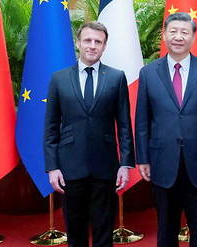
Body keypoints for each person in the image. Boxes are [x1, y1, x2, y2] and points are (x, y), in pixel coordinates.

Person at [135, 12, 197, 247]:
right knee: (166, 227)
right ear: (165, 35)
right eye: (173, 31)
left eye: (184, 32)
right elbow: (142, 120)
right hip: (162, 161)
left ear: (193, 37)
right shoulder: (148, 73)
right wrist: (143, 158)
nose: (178, 37)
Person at [44, 21, 135, 247]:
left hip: (105, 167)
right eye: (88, 40)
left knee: (104, 230)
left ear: (104, 46)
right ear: (78, 43)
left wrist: (125, 163)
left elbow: (124, 124)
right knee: (75, 231)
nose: (92, 46)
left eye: (98, 42)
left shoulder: (116, 78)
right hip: (70, 167)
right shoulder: (59, 79)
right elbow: (51, 126)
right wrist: (52, 167)